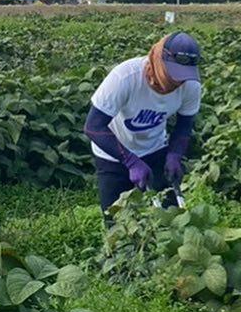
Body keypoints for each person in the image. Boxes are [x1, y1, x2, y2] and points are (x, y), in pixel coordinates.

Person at [84, 32, 202, 213]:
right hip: (113, 153)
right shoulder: (125, 77)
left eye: (183, 76)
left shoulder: (191, 85)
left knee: (170, 215)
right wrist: (131, 162)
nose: (178, 81)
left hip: (154, 149)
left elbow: (184, 125)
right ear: (159, 61)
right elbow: (93, 127)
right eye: (173, 74)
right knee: (116, 220)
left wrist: (175, 154)